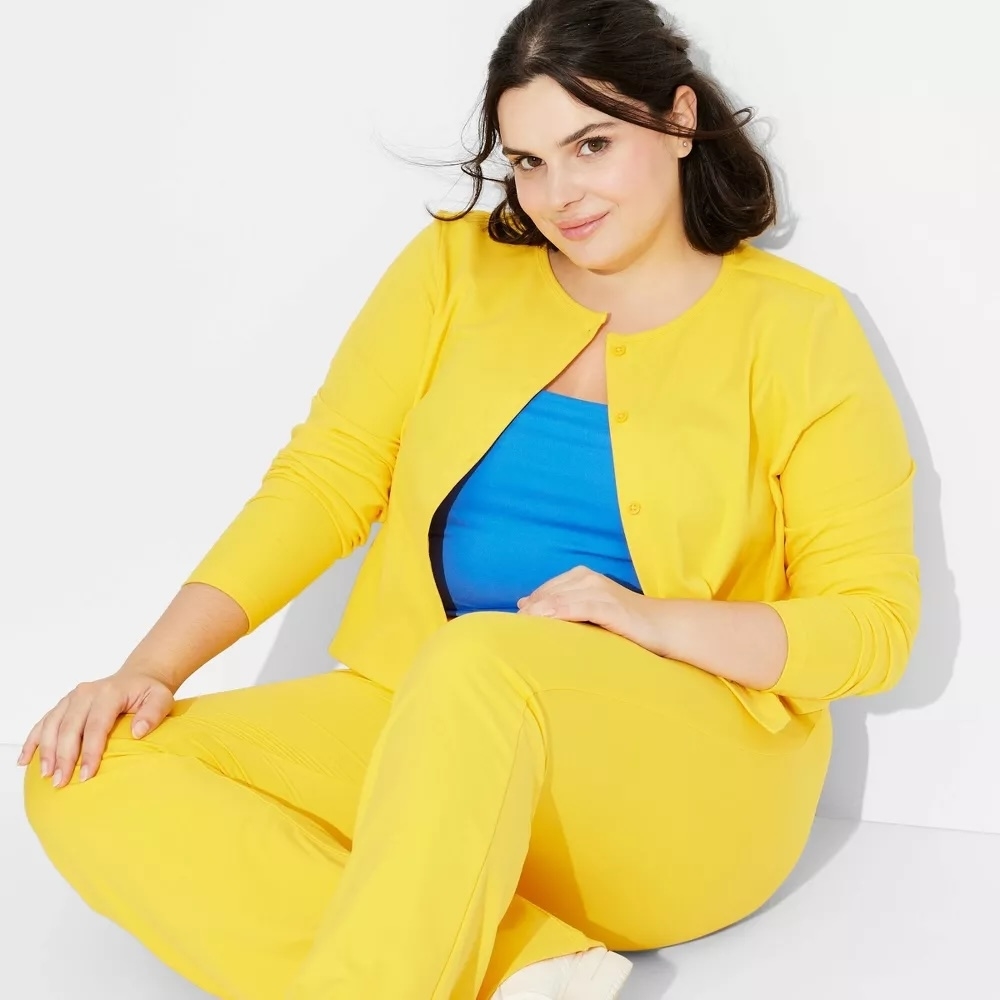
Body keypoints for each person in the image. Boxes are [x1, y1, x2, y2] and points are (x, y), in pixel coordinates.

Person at [19, 0, 921, 997]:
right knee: (87, 768)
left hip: (685, 785)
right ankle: (537, 967)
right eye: (527, 161)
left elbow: (872, 628)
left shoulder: (798, 330)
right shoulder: (456, 269)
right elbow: (327, 474)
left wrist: (651, 621)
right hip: (437, 741)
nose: (559, 193)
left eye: (591, 143)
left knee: (479, 659)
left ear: (675, 119)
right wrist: (142, 672)